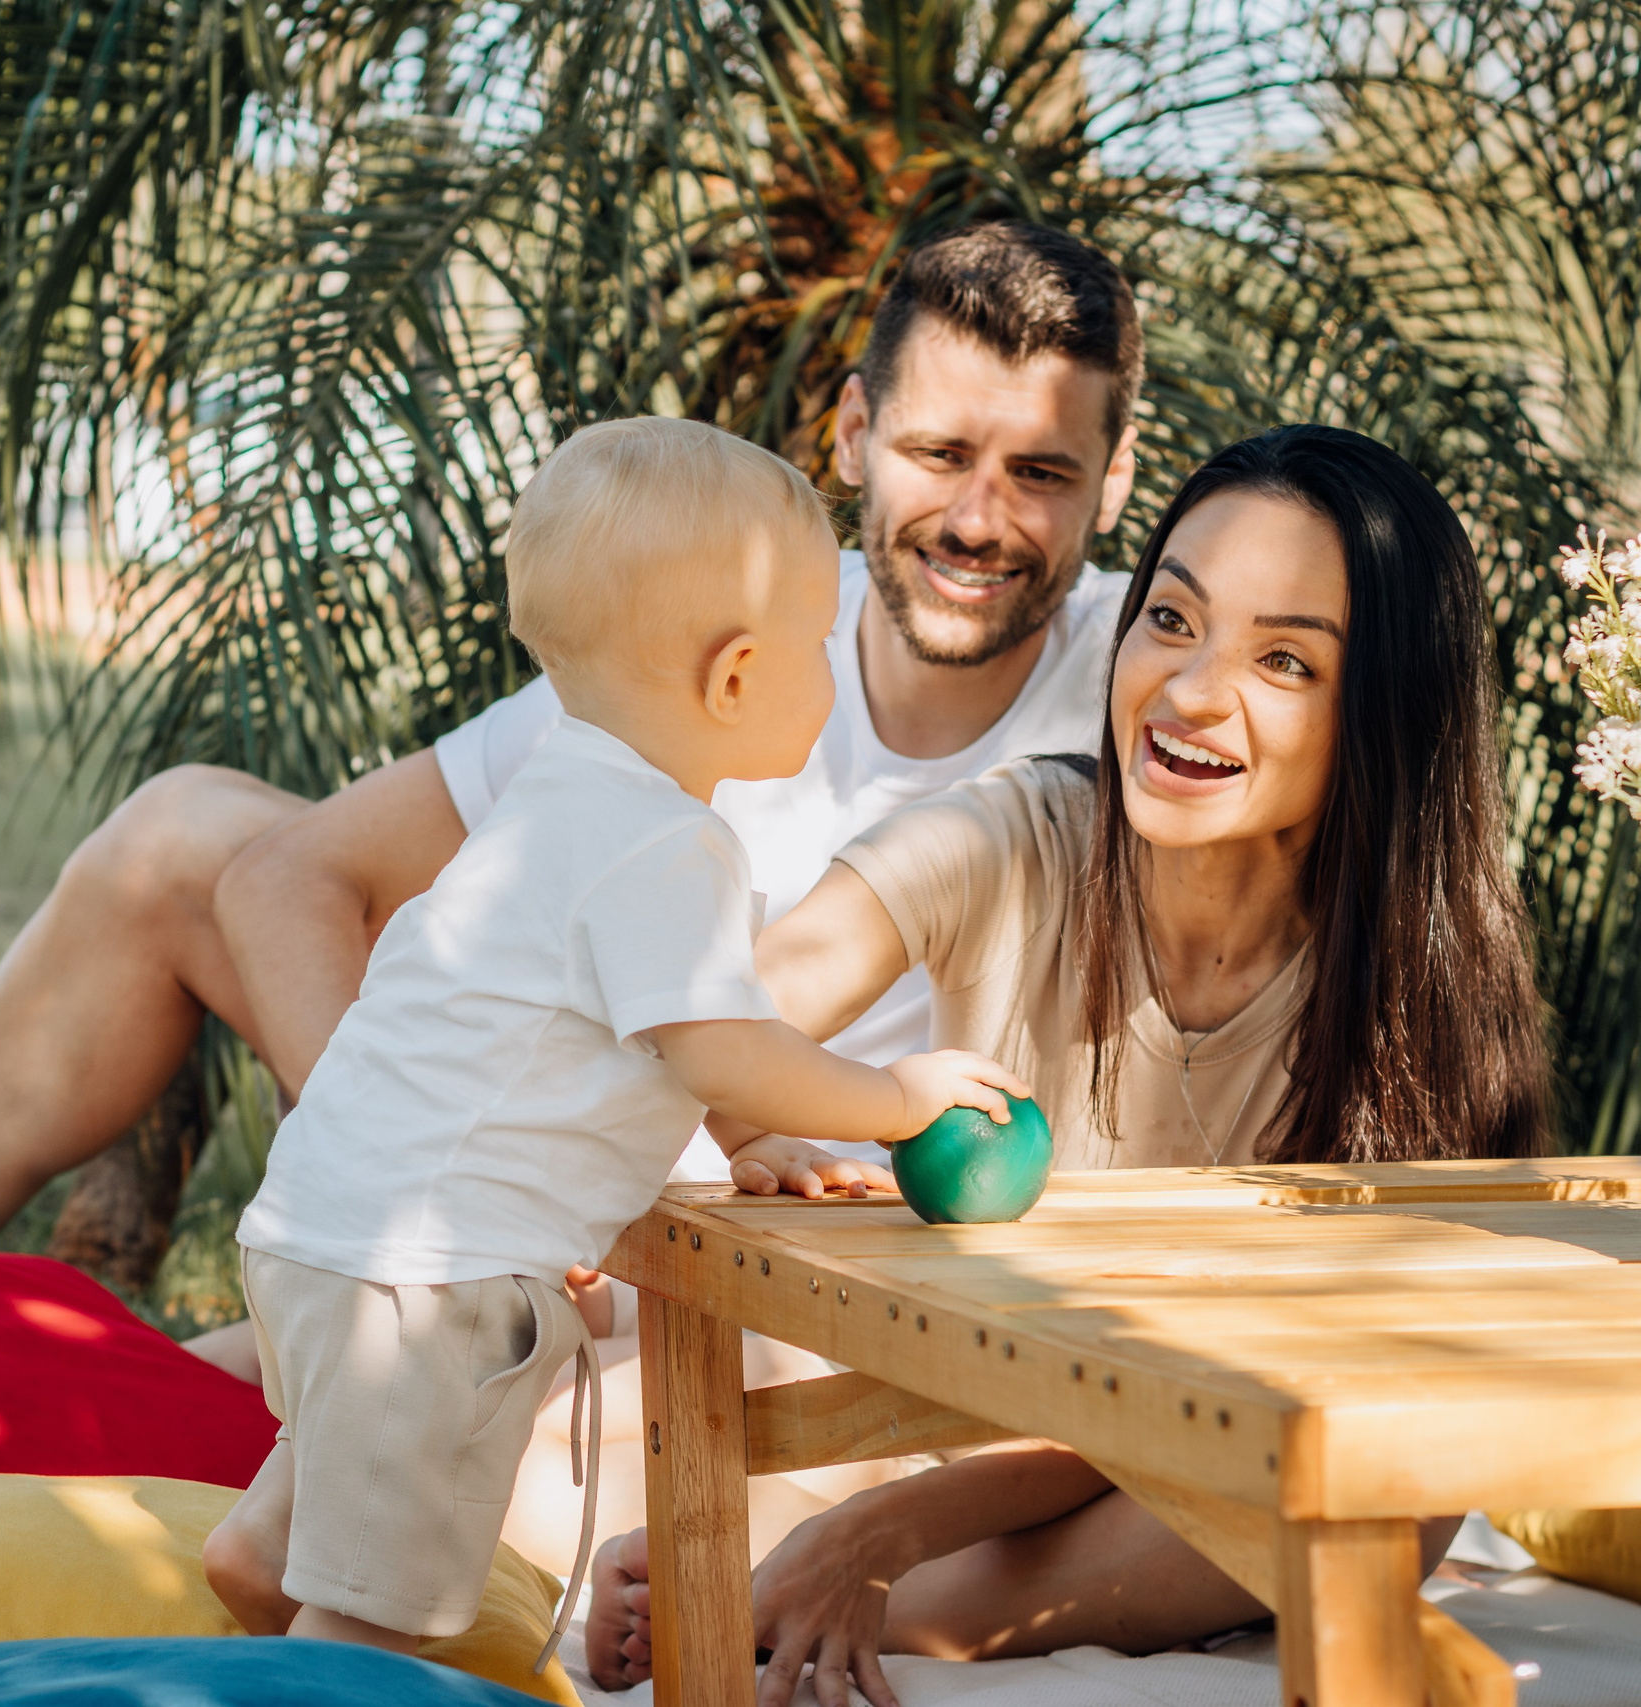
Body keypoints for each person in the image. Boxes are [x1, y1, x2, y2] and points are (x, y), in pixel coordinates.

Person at [0, 218, 1144, 1267]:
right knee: (180, 831)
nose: (982, 516)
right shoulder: (743, 620)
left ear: (1117, 475)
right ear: (856, 436)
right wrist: (419, 1171)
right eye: (941, 451)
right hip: (607, 1177)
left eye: (1041, 473)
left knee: (291, 1412)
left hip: (806, 1233)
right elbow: (286, 874)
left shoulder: (1153, 689)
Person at [584, 424, 1553, 1707]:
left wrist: (885, 1540)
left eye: (1283, 660)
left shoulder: (1409, 994)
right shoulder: (1012, 833)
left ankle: (785, 1585)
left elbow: (1260, 1387)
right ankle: (794, 1575)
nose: (1192, 692)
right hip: (931, 1408)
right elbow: (716, 1012)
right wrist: (740, 1127)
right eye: (1170, 618)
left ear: (1381, 710)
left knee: (1395, 1484)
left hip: (1178, 1454)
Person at [198, 418, 1028, 1656]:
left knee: (317, 1528)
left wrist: (722, 1162)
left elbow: (576, 1059)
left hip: (322, 1244)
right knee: (378, 1632)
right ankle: (322, 1661)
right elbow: (723, 1050)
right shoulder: (669, 846)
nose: (829, 672)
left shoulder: (556, 800)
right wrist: (897, 1098)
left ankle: (263, 1563)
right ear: (735, 679)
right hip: (436, 1295)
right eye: (813, 648)